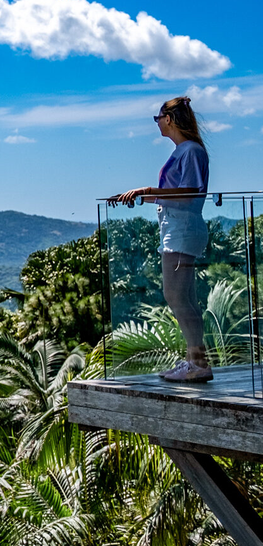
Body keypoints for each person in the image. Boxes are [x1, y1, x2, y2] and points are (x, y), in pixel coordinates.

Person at [109, 96, 211, 382]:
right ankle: (195, 360)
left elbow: (190, 192)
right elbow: (176, 193)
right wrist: (141, 196)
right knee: (185, 298)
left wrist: (148, 188)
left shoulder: (190, 150)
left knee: (176, 296)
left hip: (182, 231)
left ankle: (199, 363)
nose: (157, 124)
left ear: (170, 119)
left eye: (158, 118)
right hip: (177, 229)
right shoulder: (185, 150)